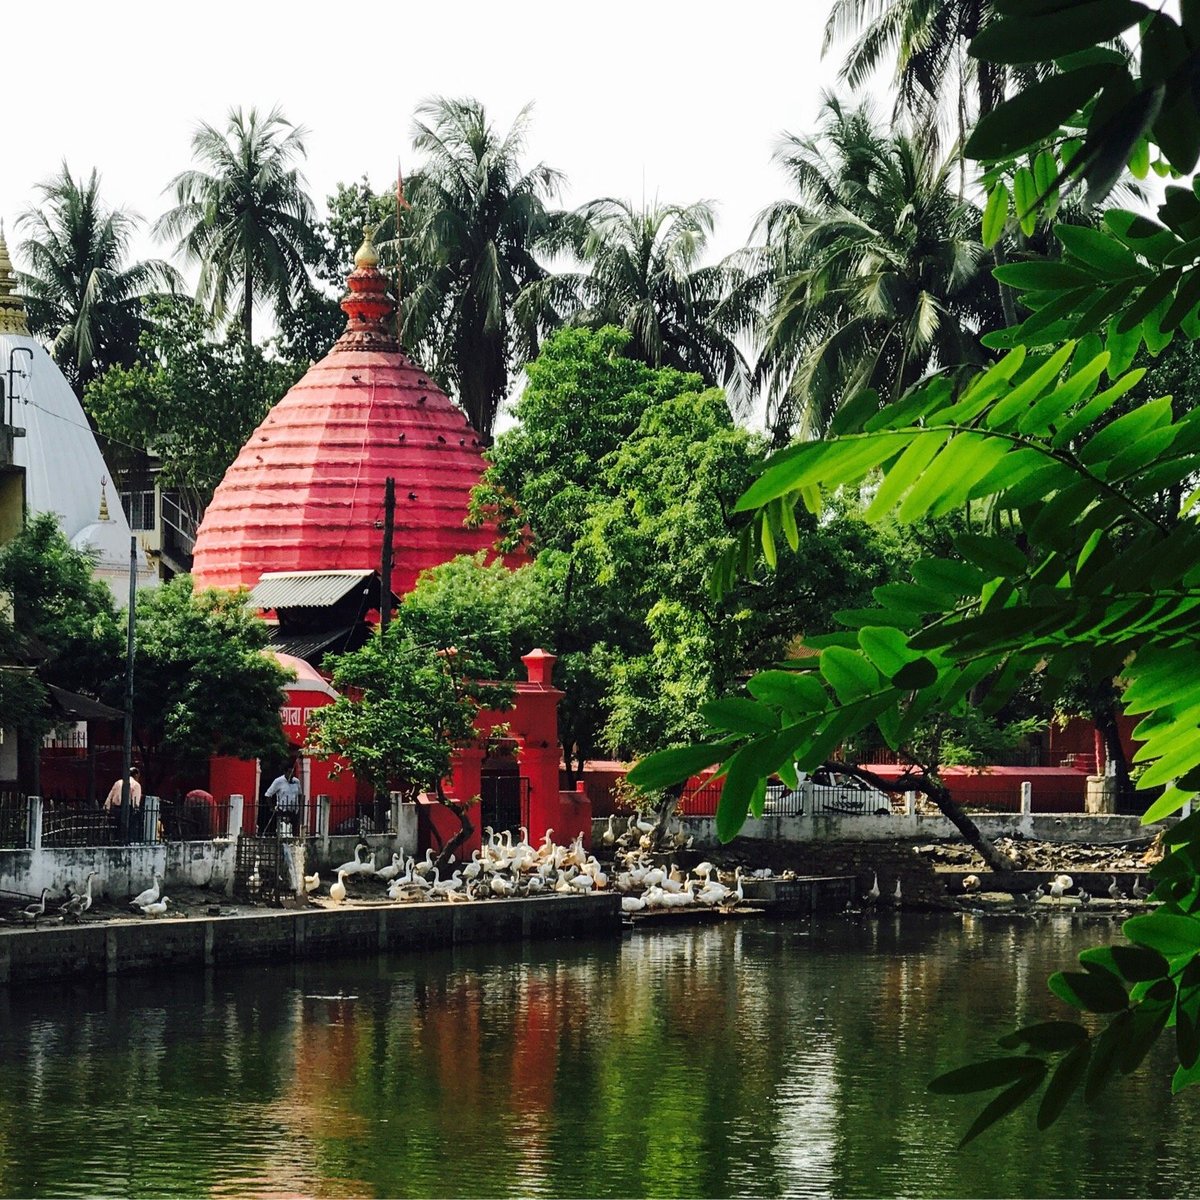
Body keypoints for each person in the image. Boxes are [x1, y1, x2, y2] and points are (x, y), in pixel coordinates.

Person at [264, 761, 302, 835]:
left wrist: (299, 806)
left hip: (294, 810)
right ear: (285, 772)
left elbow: (300, 794)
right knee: (283, 831)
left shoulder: (296, 781)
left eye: (292, 772)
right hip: (282, 810)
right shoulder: (278, 781)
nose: (291, 774)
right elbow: (268, 795)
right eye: (289, 772)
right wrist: (272, 808)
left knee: (294, 832)